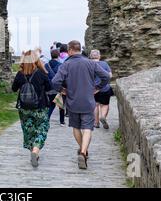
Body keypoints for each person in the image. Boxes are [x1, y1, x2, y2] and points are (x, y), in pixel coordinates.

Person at [51, 41, 110, 170]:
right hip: (88, 100)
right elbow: (106, 76)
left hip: (72, 101)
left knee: (76, 127)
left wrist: (62, 90)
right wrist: (97, 88)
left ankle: (83, 150)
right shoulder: (90, 63)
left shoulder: (66, 65)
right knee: (88, 128)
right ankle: (83, 151)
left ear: (70, 50)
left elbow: (55, 81)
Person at [12, 50, 52, 168]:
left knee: (29, 130)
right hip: (41, 107)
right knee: (42, 128)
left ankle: (33, 152)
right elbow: (49, 88)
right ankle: (35, 150)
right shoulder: (41, 73)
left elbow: (14, 89)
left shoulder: (20, 74)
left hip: (24, 108)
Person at [89, 50, 113, 130]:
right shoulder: (104, 64)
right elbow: (110, 75)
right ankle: (102, 116)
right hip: (105, 88)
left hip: (94, 89)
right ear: (99, 56)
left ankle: (96, 123)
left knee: (95, 105)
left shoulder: (88, 65)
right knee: (105, 105)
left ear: (90, 56)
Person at [47, 49, 66, 126]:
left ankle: (47, 119)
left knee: (51, 105)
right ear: (58, 56)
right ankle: (62, 121)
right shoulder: (61, 65)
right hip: (59, 88)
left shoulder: (46, 65)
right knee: (61, 105)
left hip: (49, 88)